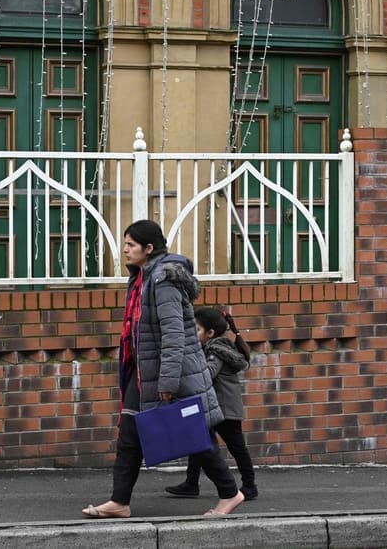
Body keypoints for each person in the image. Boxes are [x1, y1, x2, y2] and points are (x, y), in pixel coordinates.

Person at [82, 219, 245, 519]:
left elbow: (173, 334)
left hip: (171, 373)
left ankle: (230, 493)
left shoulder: (163, 280)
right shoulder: (142, 277)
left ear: (148, 248)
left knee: (193, 434)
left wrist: (167, 382)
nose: (125, 250)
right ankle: (119, 501)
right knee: (129, 435)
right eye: (125, 244)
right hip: (143, 372)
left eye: (130, 245)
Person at [165, 307, 258, 500]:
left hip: (225, 410)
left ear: (210, 333)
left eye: (197, 330)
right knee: (198, 443)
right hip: (213, 407)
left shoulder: (216, 350)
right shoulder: (211, 348)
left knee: (237, 448)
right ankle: (191, 483)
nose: (193, 333)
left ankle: (250, 486)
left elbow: (207, 374)